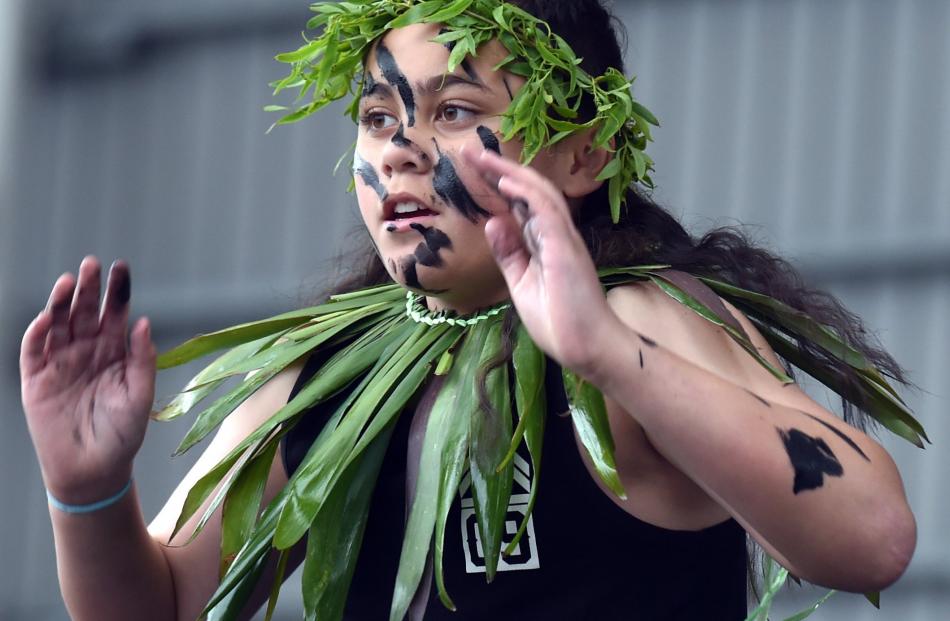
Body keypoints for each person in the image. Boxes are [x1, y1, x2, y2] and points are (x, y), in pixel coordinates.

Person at [19, 1, 918, 620]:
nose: (404, 151)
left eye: (453, 109)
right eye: (378, 117)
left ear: (584, 155)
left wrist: (601, 353)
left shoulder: (643, 321)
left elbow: (872, 540)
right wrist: (88, 487)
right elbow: (168, 603)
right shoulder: (336, 379)